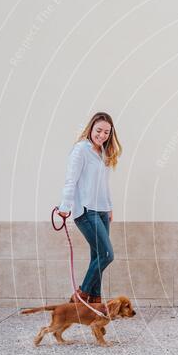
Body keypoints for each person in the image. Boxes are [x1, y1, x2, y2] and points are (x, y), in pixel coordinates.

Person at [57, 111, 122, 304]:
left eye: (106, 133)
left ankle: (94, 301)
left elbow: (104, 185)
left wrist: (109, 208)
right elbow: (71, 180)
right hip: (85, 210)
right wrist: (65, 205)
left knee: (97, 256)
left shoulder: (103, 153)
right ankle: (81, 294)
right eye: (98, 130)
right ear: (91, 128)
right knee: (107, 254)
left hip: (101, 211)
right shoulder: (80, 150)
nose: (102, 135)